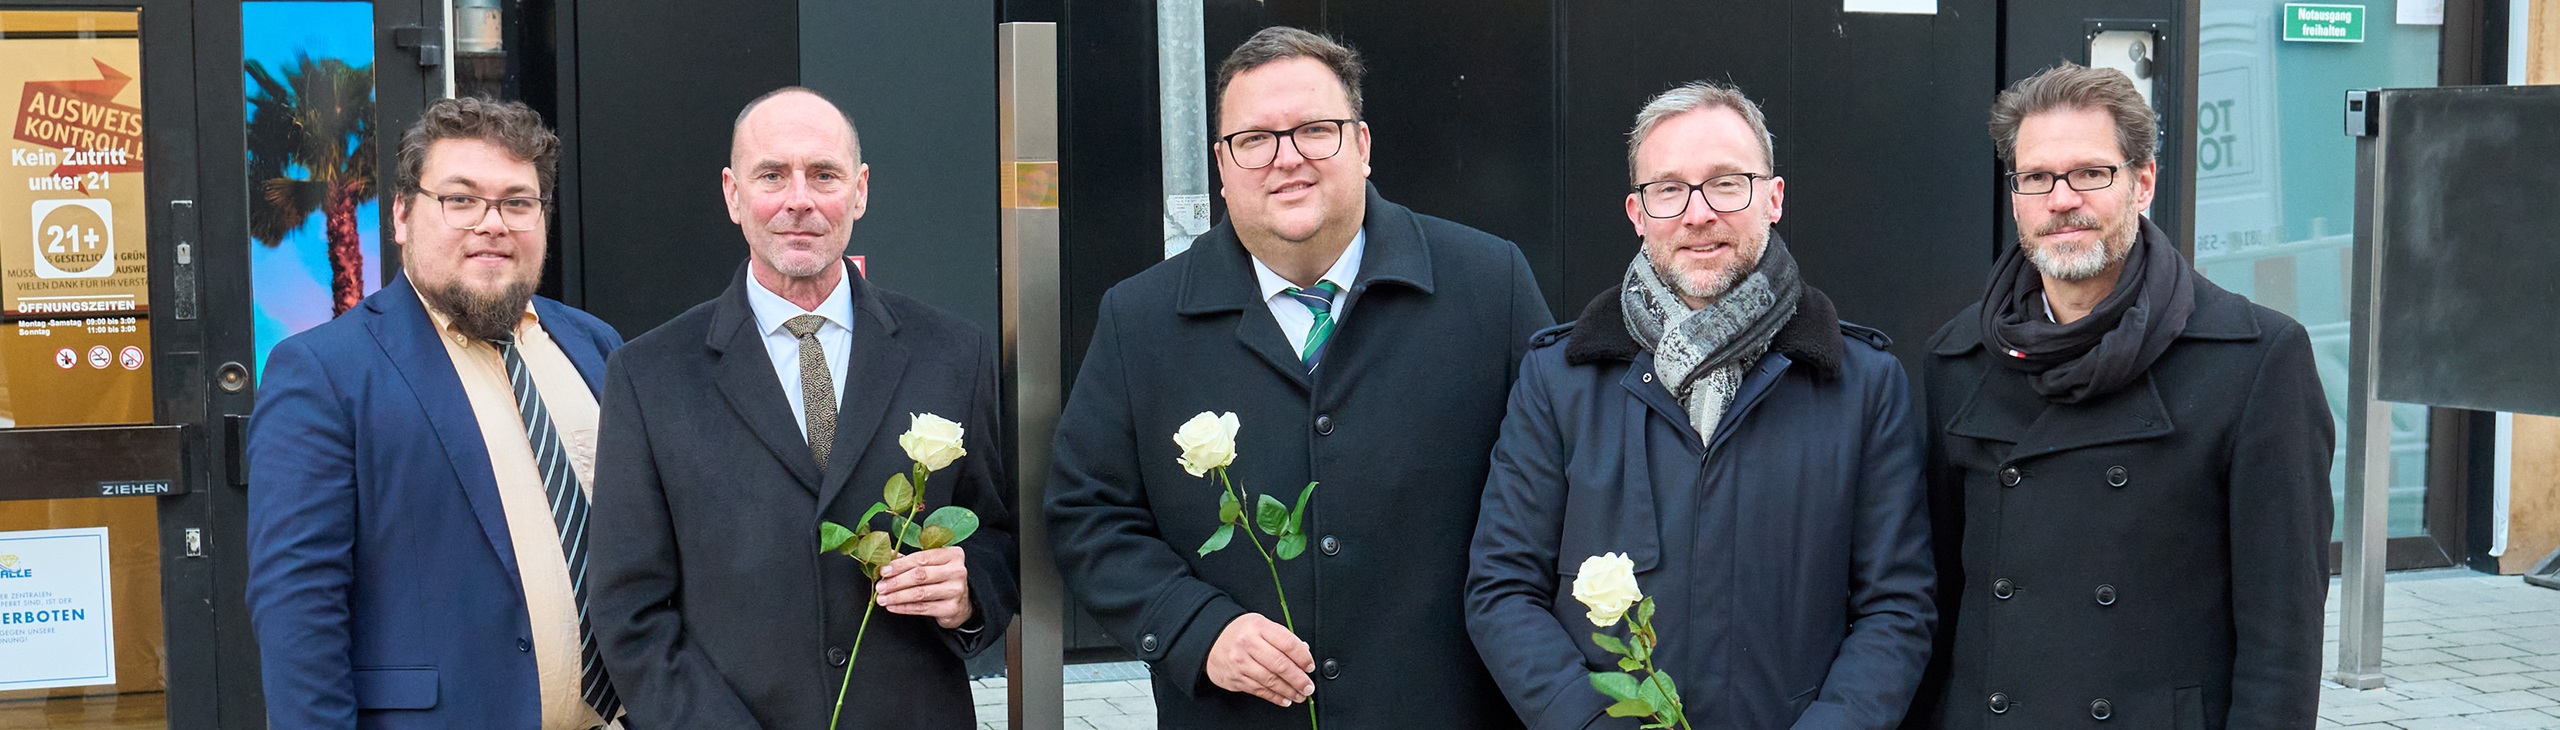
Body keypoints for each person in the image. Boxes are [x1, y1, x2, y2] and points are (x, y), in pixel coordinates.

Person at [1043, 25, 1554, 728]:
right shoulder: (1140, 320)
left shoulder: (1490, 286)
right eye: (1254, 139)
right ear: (1222, 166)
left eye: (1316, 130)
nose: (1287, 159)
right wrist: (1197, 628)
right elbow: (1089, 515)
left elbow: (1555, 494)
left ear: (1363, 146)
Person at [1466, 81, 1936, 729]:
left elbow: (1897, 608)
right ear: (1637, 213)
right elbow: (1503, 590)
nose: (1698, 213)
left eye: (1726, 183)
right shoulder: (1559, 381)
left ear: (1773, 198)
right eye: (1669, 189)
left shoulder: (1863, 386)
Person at [1911, 62, 2332, 729]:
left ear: (2144, 182)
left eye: (2090, 173)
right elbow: (1936, 594)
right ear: (2015, 196)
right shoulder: (1959, 358)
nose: (2061, 200)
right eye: (2037, 177)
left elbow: (2283, 637)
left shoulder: (2255, 359)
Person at [587, 87, 1018, 728]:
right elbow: (630, 608)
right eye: (771, 175)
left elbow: (998, 539)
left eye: (823, 175)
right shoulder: (649, 375)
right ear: (733, 194)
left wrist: (968, 595)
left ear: (859, 191)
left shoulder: (954, 353)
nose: (799, 199)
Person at [247, 97, 628, 729]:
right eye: (461, 199)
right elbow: (298, 614)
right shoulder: (324, 374)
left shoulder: (594, 345)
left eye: (517, 202)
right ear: (401, 215)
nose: (492, 224)